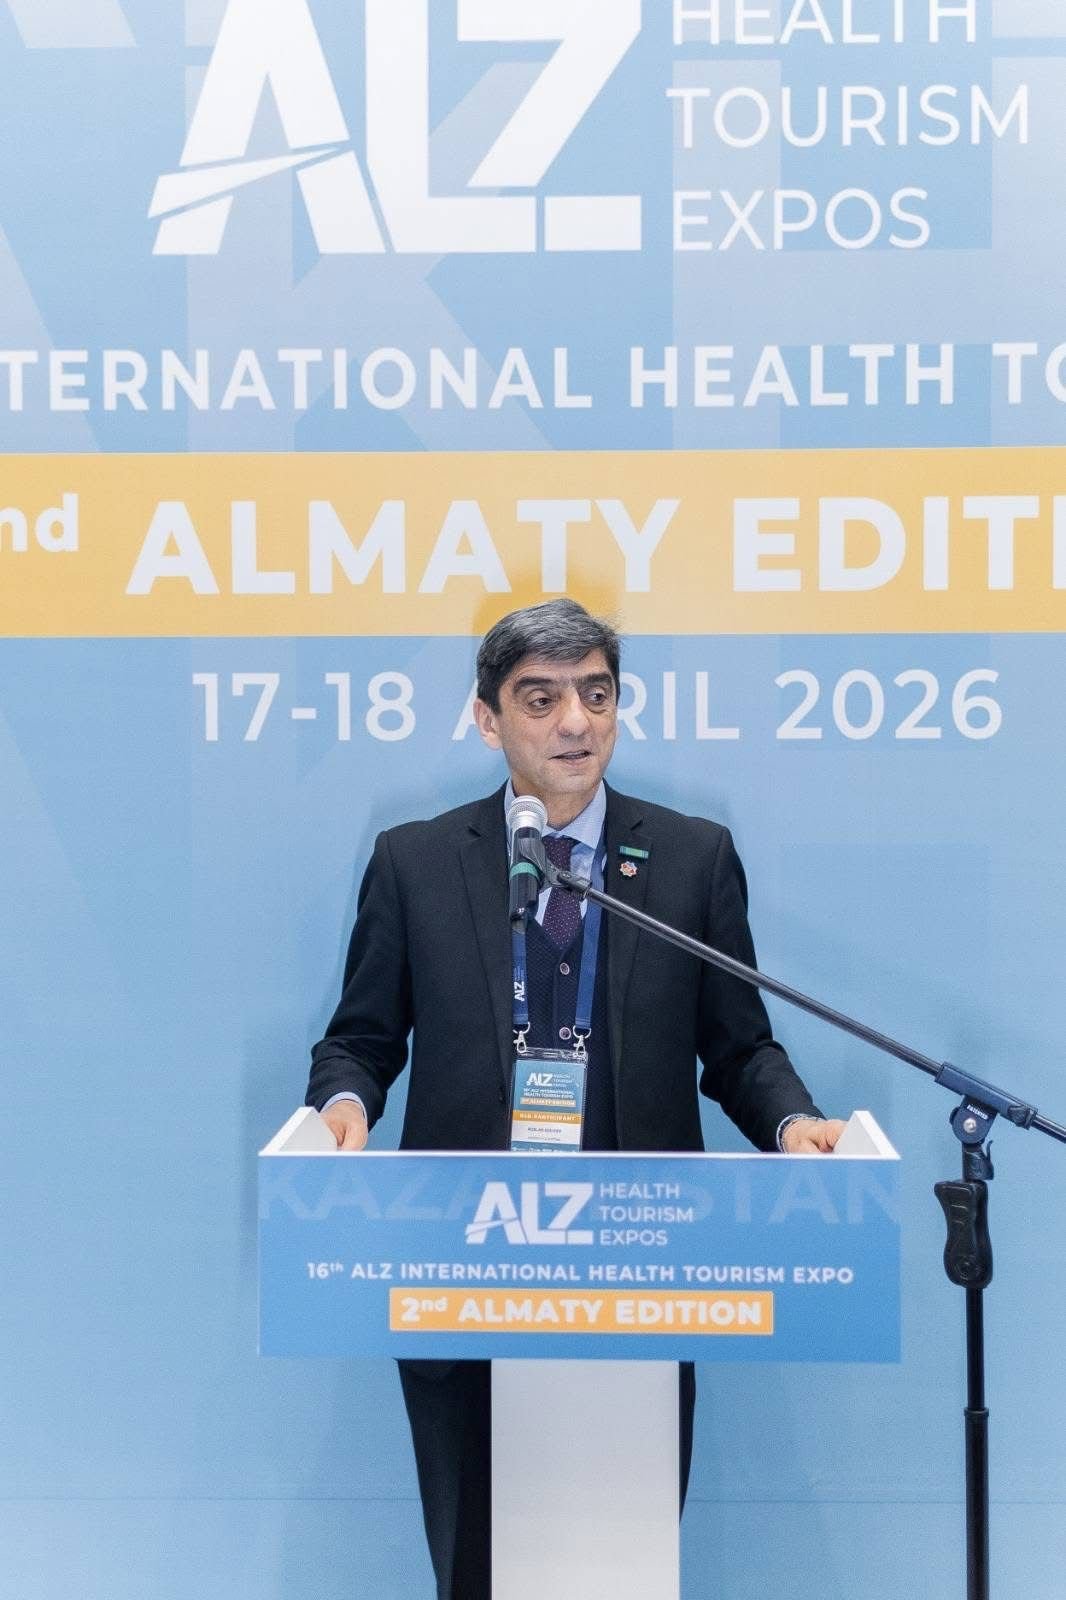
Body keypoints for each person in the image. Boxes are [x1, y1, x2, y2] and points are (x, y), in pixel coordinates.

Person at [306, 598, 845, 1599]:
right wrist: (342, 1107)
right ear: (487, 718)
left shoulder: (690, 858)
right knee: (477, 1564)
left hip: (638, 1264)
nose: (575, 722)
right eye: (541, 698)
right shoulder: (416, 862)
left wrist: (791, 1121)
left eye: (596, 696)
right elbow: (361, 1040)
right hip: (465, 1265)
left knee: (618, 1563)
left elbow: (739, 1046)